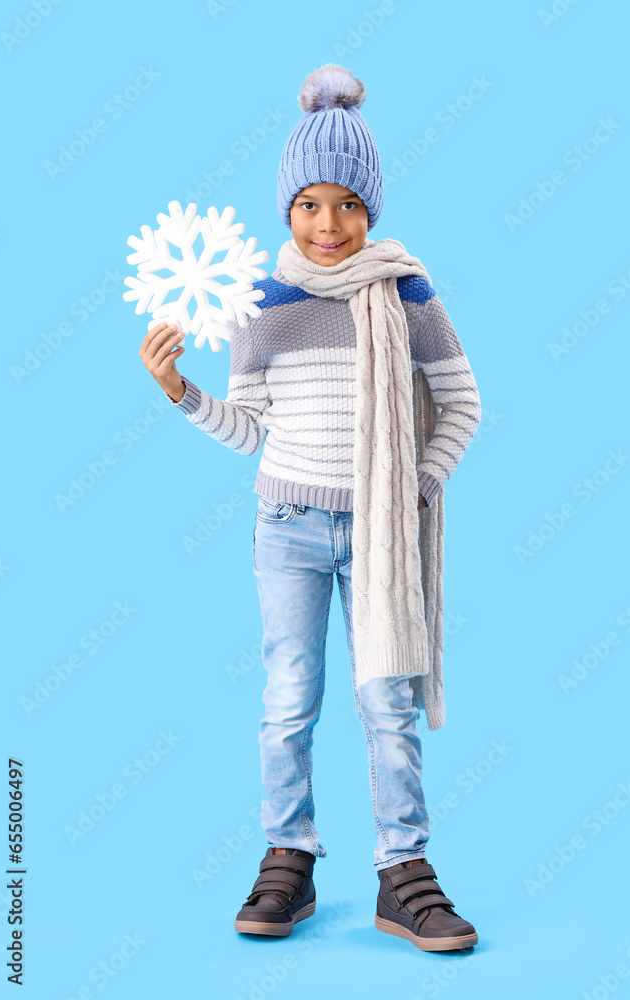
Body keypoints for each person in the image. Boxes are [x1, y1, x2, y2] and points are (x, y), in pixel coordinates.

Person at [139, 63, 481, 953]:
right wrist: (180, 390)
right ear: (285, 209)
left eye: (347, 205)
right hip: (286, 529)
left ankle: (403, 872)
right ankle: (288, 857)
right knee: (289, 700)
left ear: (371, 209)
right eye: (308, 205)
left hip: (379, 534)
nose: (328, 225)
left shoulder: (405, 293)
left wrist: (409, 488)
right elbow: (251, 431)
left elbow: (461, 403)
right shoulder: (263, 304)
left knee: (386, 701)